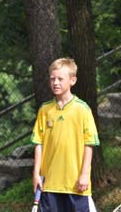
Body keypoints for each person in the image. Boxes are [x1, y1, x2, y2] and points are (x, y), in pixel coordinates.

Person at [31, 58, 100, 212]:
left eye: (60, 79)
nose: (55, 83)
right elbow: (38, 144)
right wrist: (36, 174)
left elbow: (89, 144)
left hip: (75, 186)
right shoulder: (44, 110)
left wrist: (84, 174)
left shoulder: (82, 109)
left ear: (72, 80)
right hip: (49, 185)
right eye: (52, 79)